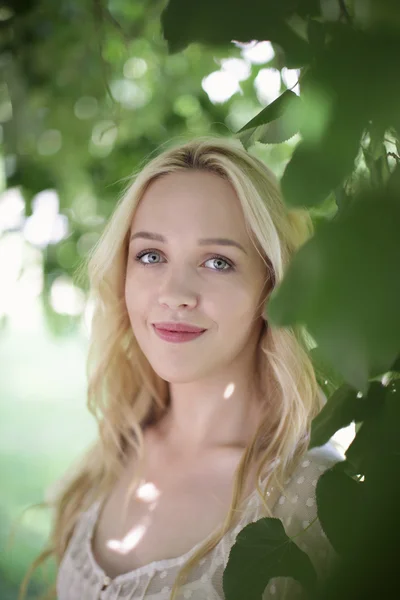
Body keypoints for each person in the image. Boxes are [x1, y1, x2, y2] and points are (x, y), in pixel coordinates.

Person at [20, 136, 342, 600]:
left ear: (273, 289)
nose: (175, 293)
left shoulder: (312, 498)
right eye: (151, 255)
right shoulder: (114, 450)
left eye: (218, 261)